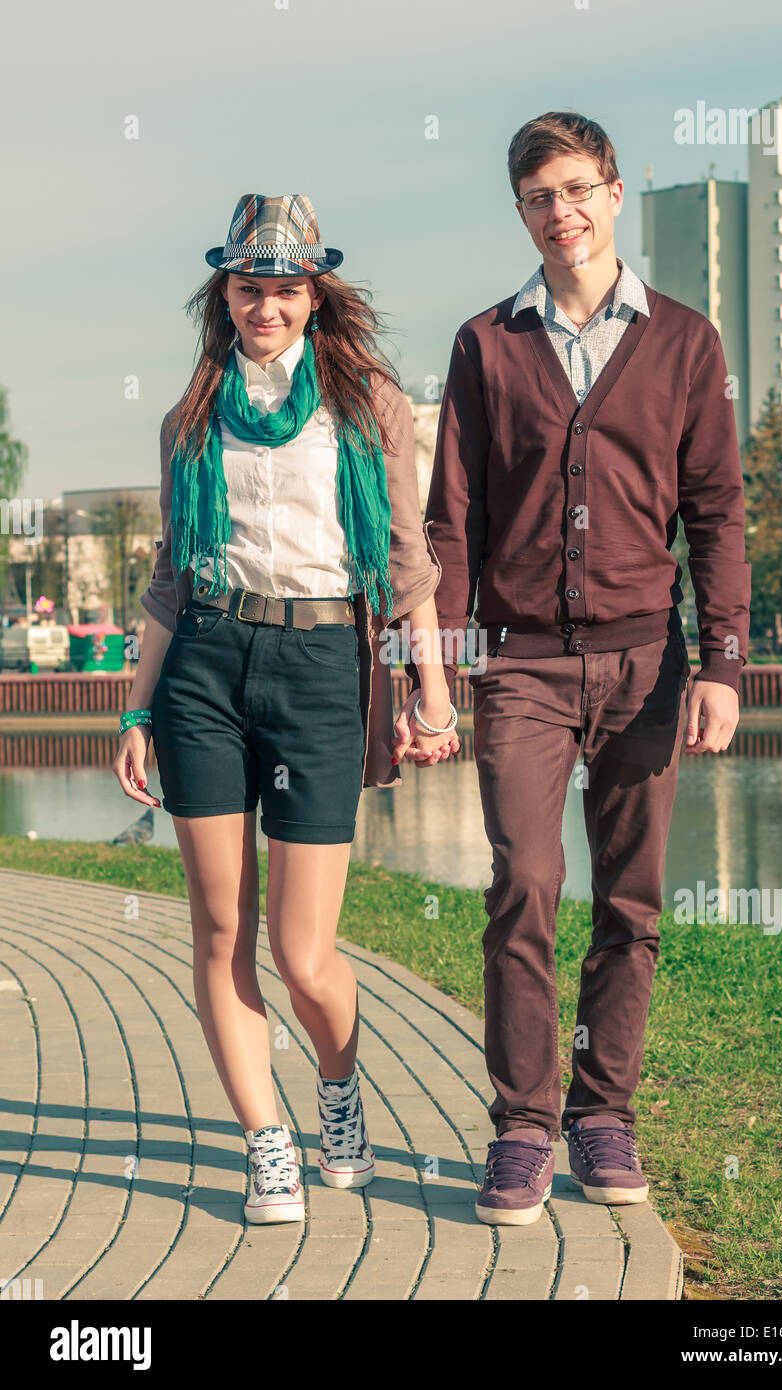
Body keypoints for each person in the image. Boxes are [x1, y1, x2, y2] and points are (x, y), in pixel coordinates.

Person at [399, 112, 751, 1225]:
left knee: (631, 901)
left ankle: (604, 1114)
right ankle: (520, 1125)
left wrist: (722, 661)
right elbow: (449, 521)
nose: (561, 213)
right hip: (520, 670)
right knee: (523, 885)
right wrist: (435, 674)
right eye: (537, 197)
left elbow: (715, 512)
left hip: (647, 662)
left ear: (612, 190)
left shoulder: (685, 343)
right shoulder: (484, 344)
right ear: (521, 213)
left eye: (576, 189)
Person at [113, 193, 459, 1225]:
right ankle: (268, 1144)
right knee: (219, 925)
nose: (264, 304)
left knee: (303, 953)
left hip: (318, 665)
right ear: (224, 293)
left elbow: (406, 566)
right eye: (248, 286)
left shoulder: (368, 406)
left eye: (283, 287)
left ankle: (337, 1082)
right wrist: (136, 711)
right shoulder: (189, 418)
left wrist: (431, 695)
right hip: (206, 664)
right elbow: (171, 579)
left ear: (314, 294)